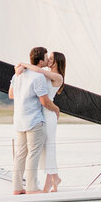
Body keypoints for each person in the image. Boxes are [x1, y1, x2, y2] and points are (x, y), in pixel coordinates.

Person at [9, 46, 58, 195]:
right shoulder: (38, 77)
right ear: (41, 60)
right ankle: (31, 188)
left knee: (20, 155)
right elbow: (44, 101)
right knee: (33, 154)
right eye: (46, 57)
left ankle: (17, 188)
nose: (47, 60)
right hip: (34, 120)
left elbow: (11, 95)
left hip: (19, 120)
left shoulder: (17, 75)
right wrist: (56, 109)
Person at [41, 51, 67, 192]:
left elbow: (38, 69)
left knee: (50, 147)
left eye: (51, 59)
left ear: (57, 62)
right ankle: (54, 178)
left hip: (49, 113)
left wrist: (23, 64)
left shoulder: (57, 77)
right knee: (45, 148)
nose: (48, 60)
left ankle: (50, 182)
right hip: (42, 113)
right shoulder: (45, 73)